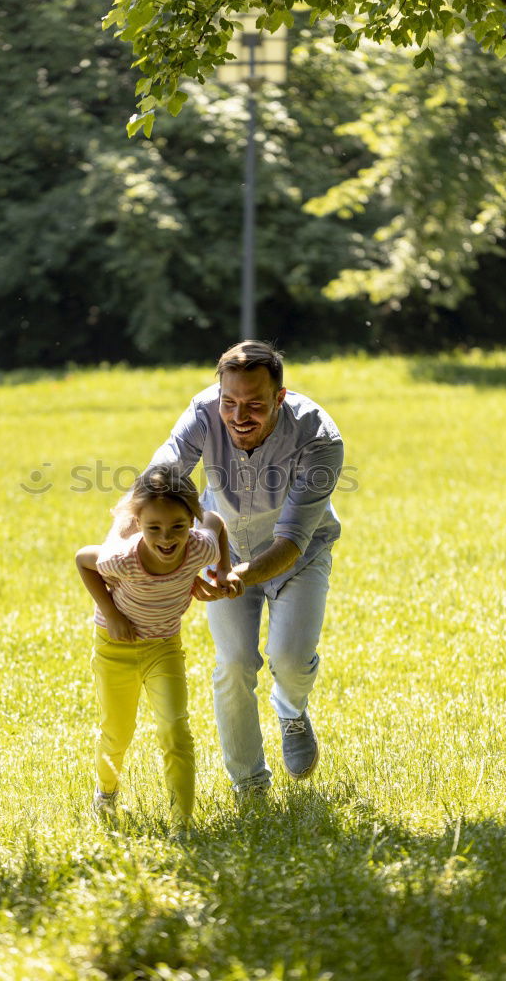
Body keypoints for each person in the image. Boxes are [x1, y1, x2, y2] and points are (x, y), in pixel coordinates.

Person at [149, 340, 344, 799]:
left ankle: (292, 712)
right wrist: (134, 537)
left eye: (255, 404)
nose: (238, 416)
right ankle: (249, 784)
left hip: (299, 554)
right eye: (230, 402)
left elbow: (291, 541)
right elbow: (162, 475)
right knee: (234, 663)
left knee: (290, 659)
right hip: (228, 548)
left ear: (280, 397)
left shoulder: (320, 439)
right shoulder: (203, 411)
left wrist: (235, 579)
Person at [75, 464, 243, 829]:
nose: (167, 539)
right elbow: (82, 561)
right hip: (115, 649)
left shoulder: (200, 547)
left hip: (164, 647)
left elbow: (215, 521)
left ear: (189, 520)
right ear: (138, 523)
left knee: (175, 729)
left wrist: (223, 570)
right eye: (154, 528)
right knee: (118, 732)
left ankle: (182, 822)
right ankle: (106, 794)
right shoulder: (121, 558)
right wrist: (111, 613)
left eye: (178, 527)